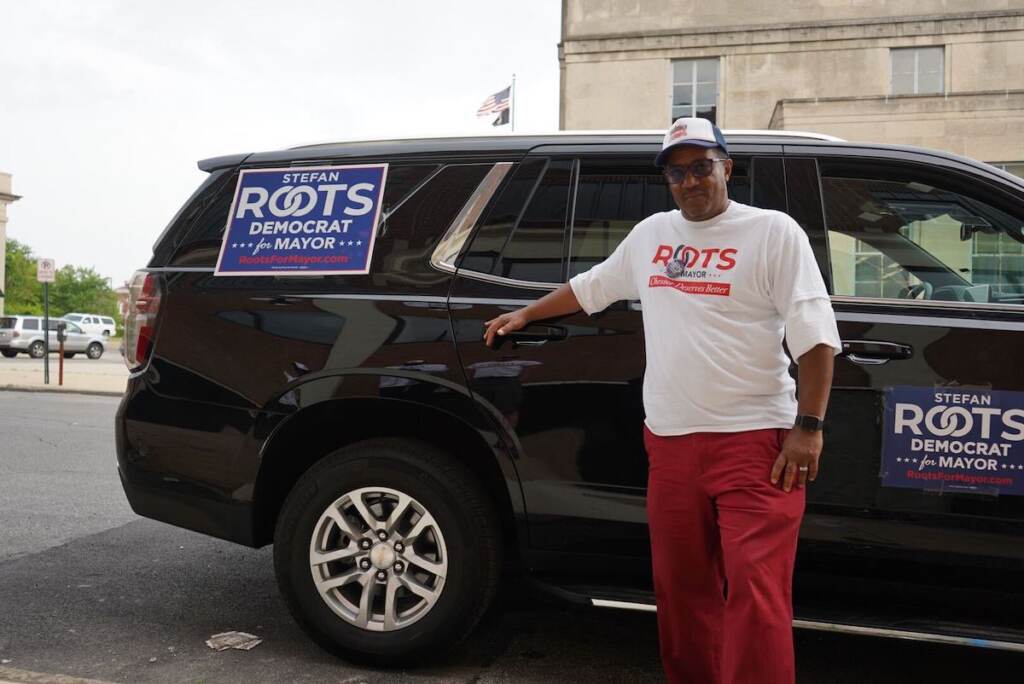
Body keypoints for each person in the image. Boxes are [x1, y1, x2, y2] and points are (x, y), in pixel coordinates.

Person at [483, 117, 841, 684]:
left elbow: (816, 335)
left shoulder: (773, 232)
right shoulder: (653, 235)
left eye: (701, 166)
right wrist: (526, 313)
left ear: (726, 167)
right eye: (677, 173)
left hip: (756, 443)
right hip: (672, 445)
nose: (690, 181)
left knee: (757, 594)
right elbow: (593, 286)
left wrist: (810, 426)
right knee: (682, 592)